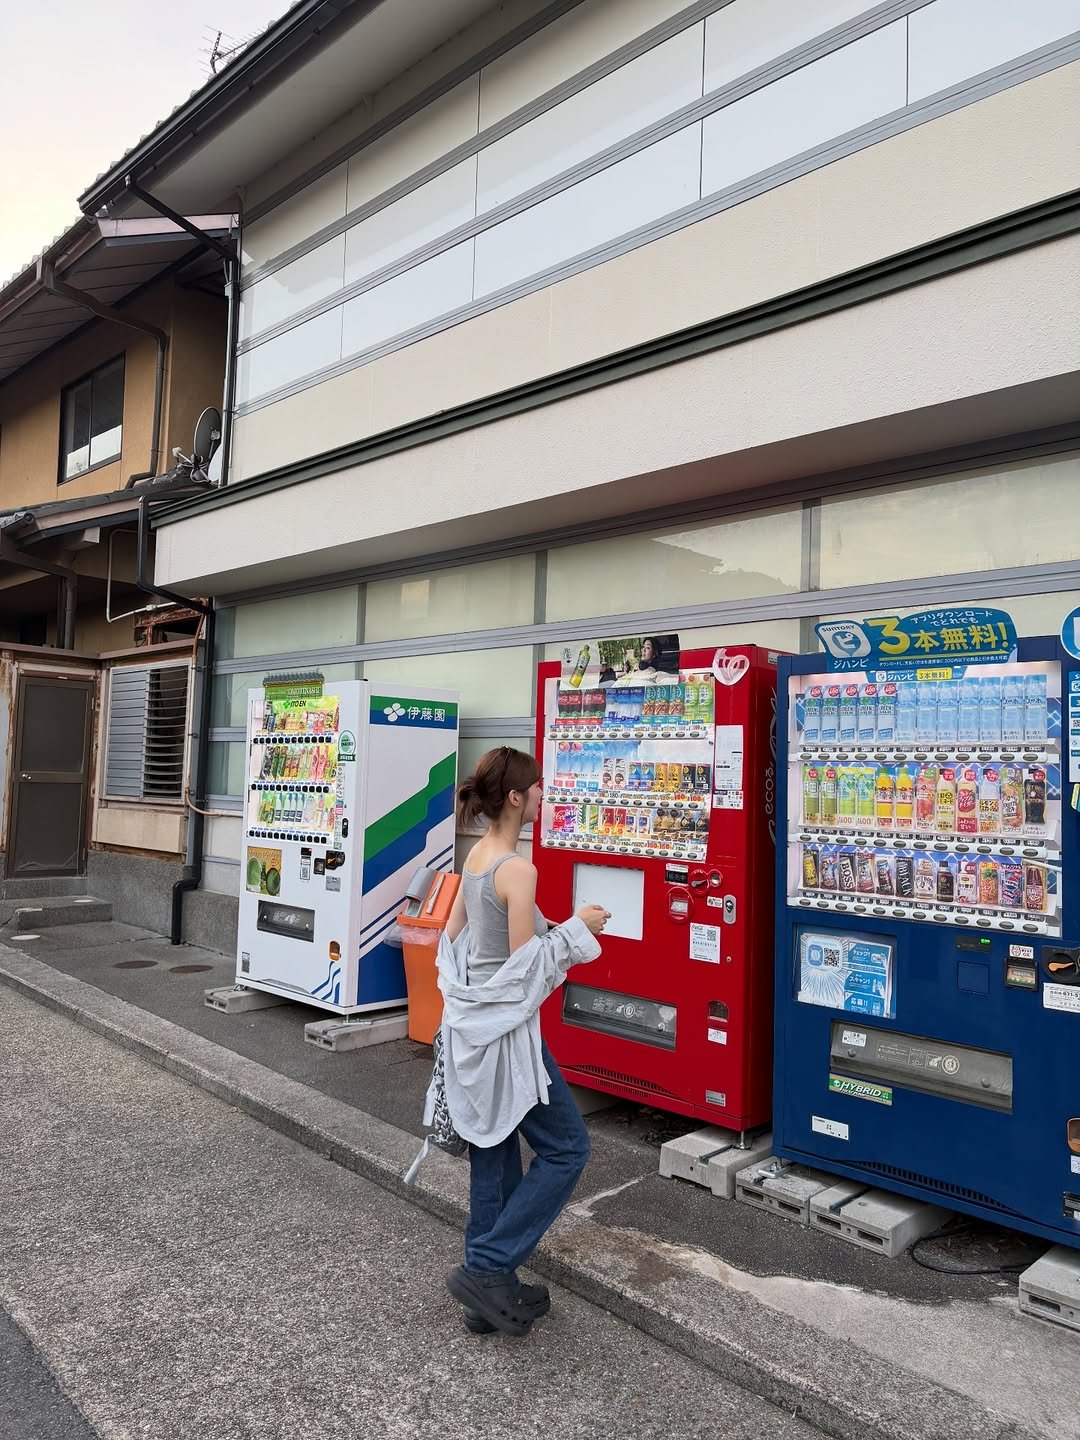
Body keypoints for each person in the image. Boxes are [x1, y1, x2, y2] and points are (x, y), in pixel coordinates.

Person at [434, 746, 609, 1337]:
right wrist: (579, 931)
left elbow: (455, 942)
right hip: (508, 1039)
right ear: (515, 797)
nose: (542, 796)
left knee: (496, 1155)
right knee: (567, 1148)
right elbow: (521, 970)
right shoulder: (518, 868)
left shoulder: (476, 856)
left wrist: (553, 931)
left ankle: (489, 1294)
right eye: (536, 788)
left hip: (470, 1034)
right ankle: (487, 1267)